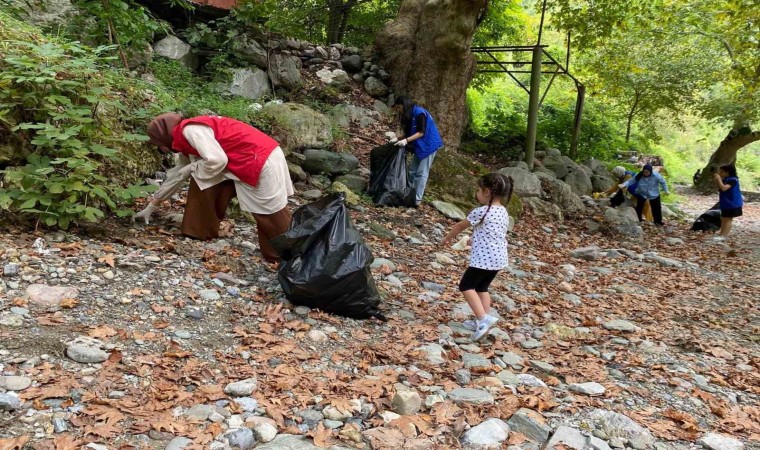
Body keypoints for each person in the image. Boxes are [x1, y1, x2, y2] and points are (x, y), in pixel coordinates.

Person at [133, 113, 294, 263]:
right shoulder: (185, 142)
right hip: (242, 160)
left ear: (164, 138)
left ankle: (296, 252)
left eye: (159, 146)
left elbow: (217, 160)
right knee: (201, 177)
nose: (162, 150)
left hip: (259, 159)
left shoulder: (191, 131)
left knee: (270, 214)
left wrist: (192, 167)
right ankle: (198, 230)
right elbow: (176, 176)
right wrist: (152, 205)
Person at [442, 173, 512, 342]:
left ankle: (482, 320)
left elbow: (460, 226)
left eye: (478, 190)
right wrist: (473, 241)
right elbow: (493, 233)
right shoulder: (503, 211)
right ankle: (483, 318)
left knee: (466, 286)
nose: (476, 193)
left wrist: (447, 238)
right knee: (482, 288)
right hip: (498, 258)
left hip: (483, 260)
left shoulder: (481, 211)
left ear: (487, 192)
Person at [389, 96, 444, 207]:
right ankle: (408, 194)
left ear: (404, 105)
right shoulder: (410, 115)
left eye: (399, 107)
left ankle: (416, 200)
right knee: (412, 171)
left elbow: (421, 132)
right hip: (420, 146)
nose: (398, 110)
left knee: (421, 173)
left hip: (429, 145)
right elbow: (409, 132)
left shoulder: (420, 113)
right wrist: (397, 138)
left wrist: (405, 141)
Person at [713, 164, 743, 237]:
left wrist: (719, 179)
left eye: (722, 172)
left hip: (733, 203)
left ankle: (724, 236)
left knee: (728, 219)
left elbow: (724, 188)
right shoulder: (726, 179)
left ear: (728, 172)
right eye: (719, 172)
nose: (720, 173)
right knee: (723, 218)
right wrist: (717, 179)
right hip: (726, 203)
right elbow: (718, 187)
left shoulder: (733, 180)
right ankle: (721, 234)